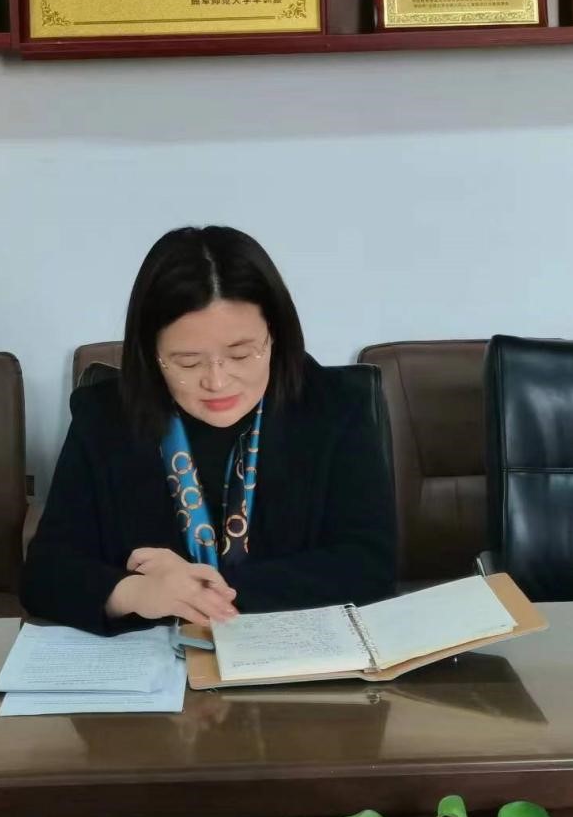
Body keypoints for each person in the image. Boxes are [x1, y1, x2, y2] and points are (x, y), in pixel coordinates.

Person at [22, 226, 397, 635]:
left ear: (275, 336)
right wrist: (134, 593)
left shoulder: (335, 408)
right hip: (150, 661)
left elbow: (369, 564)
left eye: (241, 355)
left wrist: (206, 590)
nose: (217, 382)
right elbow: (45, 572)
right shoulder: (104, 418)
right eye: (187, 362)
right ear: (151, 353)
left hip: (290, 656)